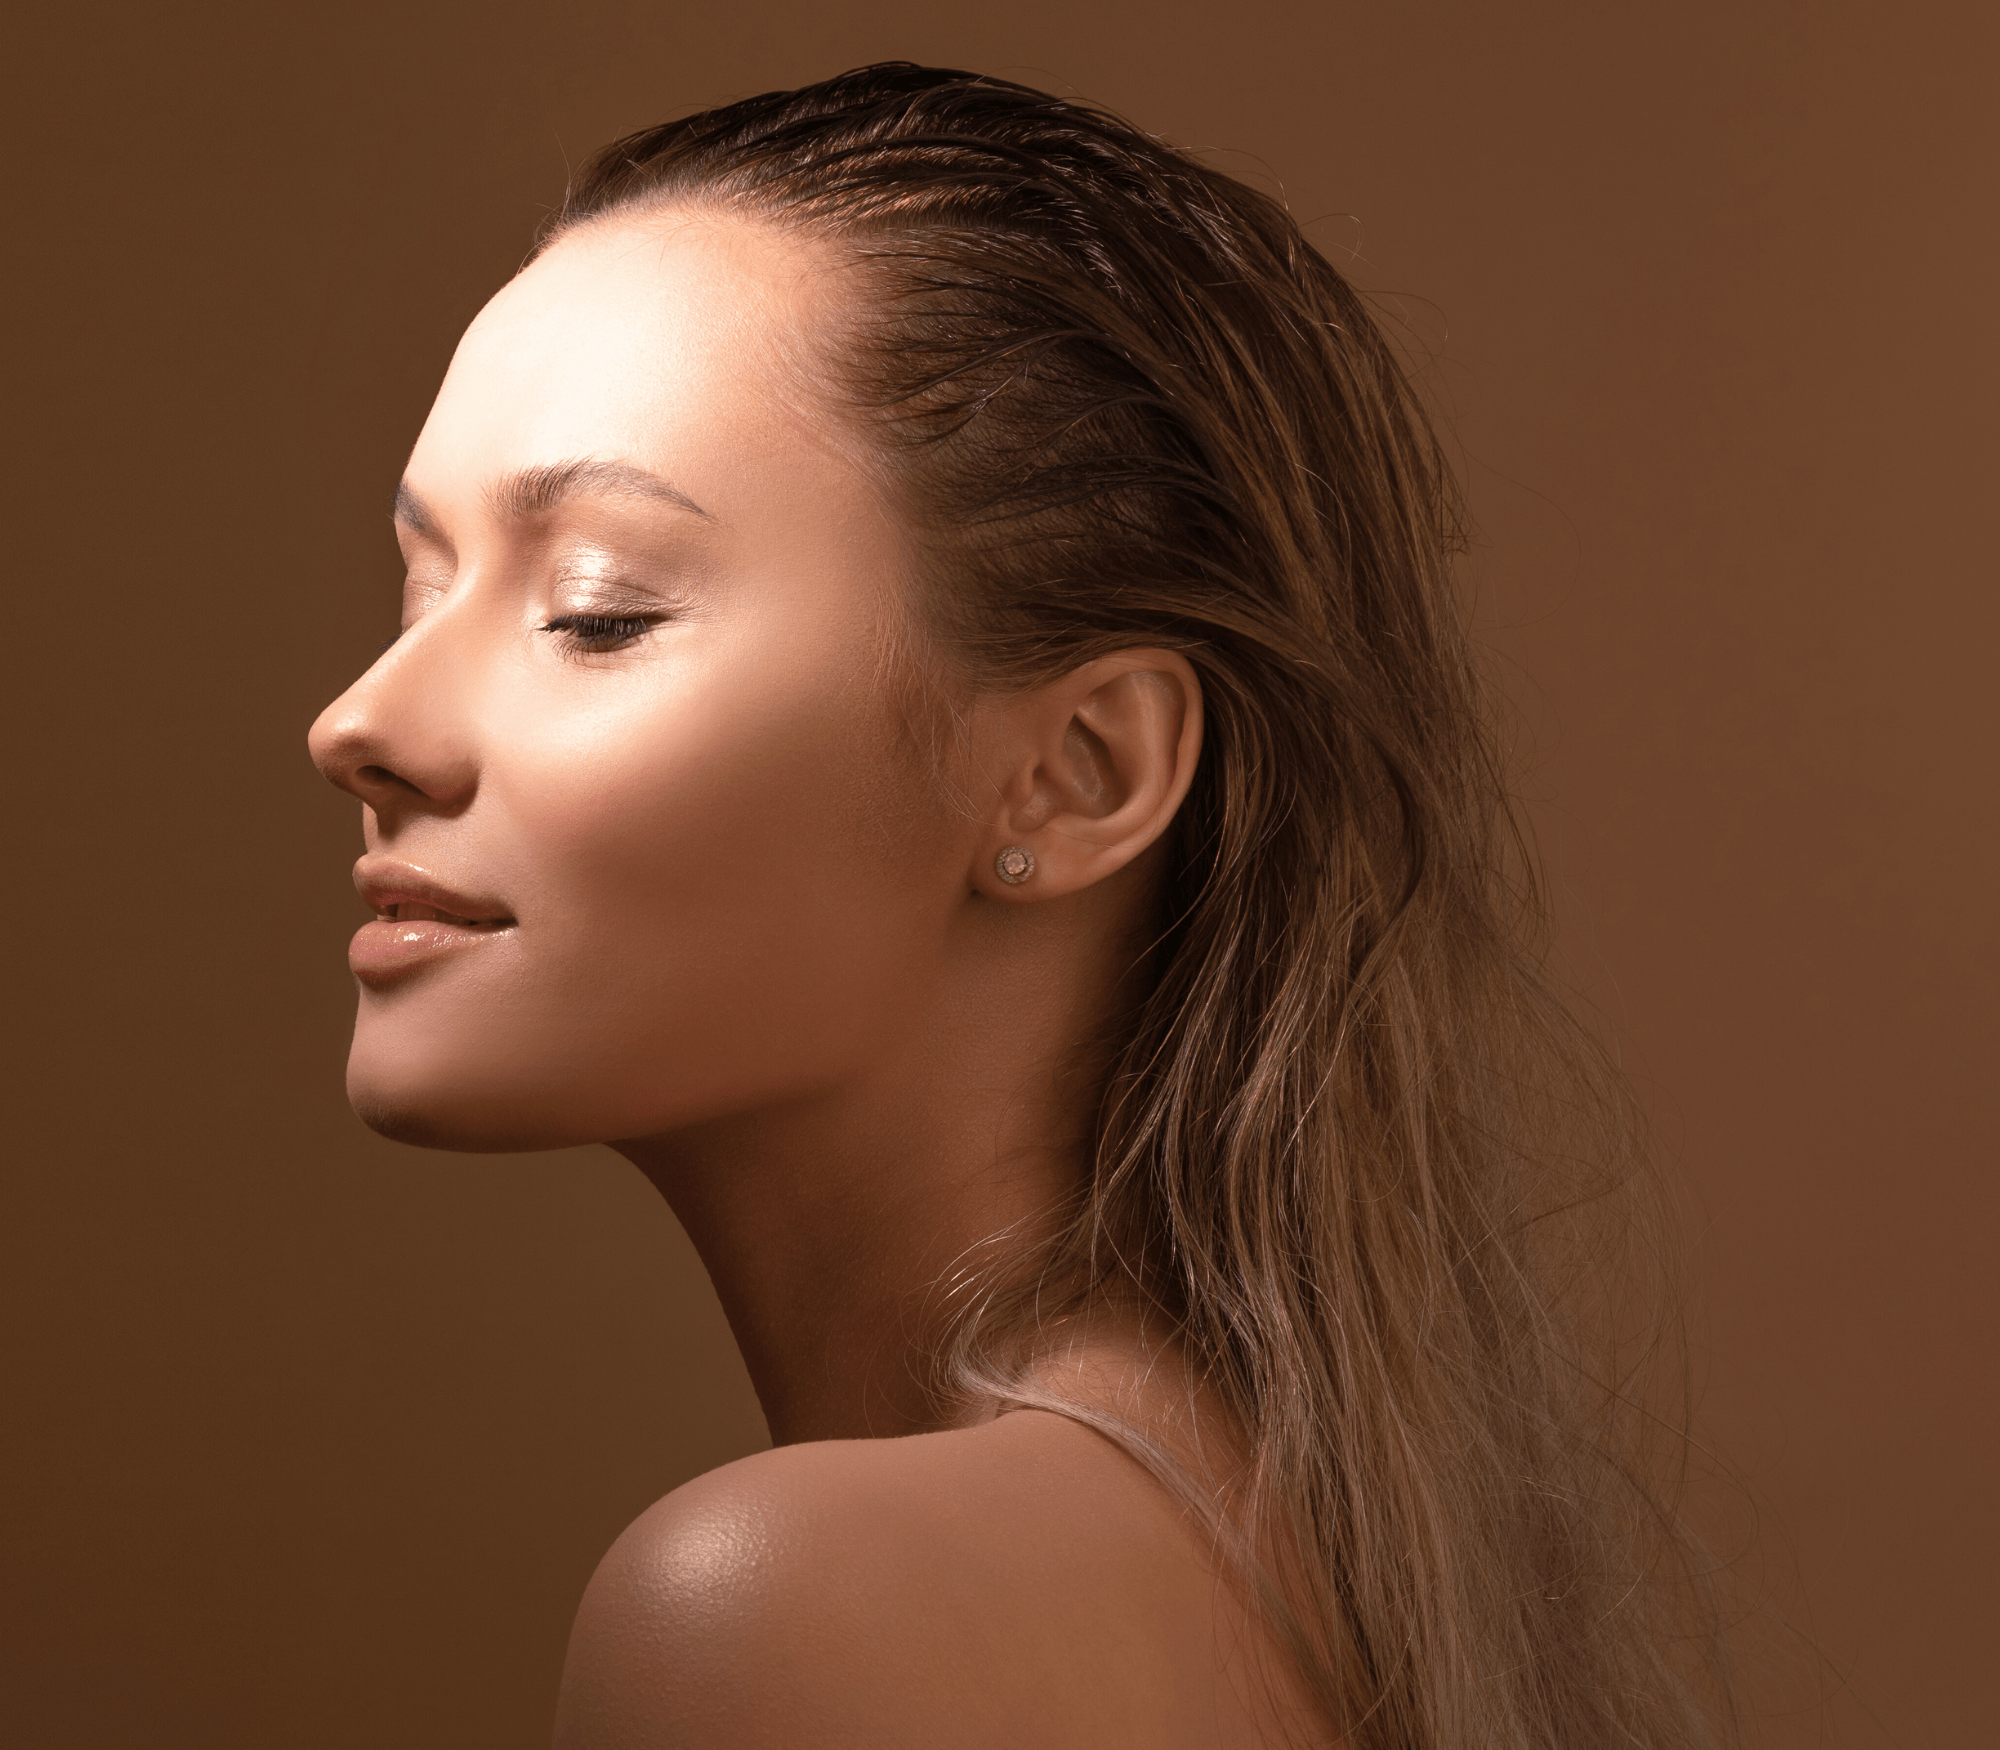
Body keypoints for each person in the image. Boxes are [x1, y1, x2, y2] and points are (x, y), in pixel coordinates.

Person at [309, 63, 1732, 1750]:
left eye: (597, 610)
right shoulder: (1315, 1554)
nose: (361, 723)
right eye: (420, 587)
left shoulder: (780, 1615)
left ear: (1074, 769)